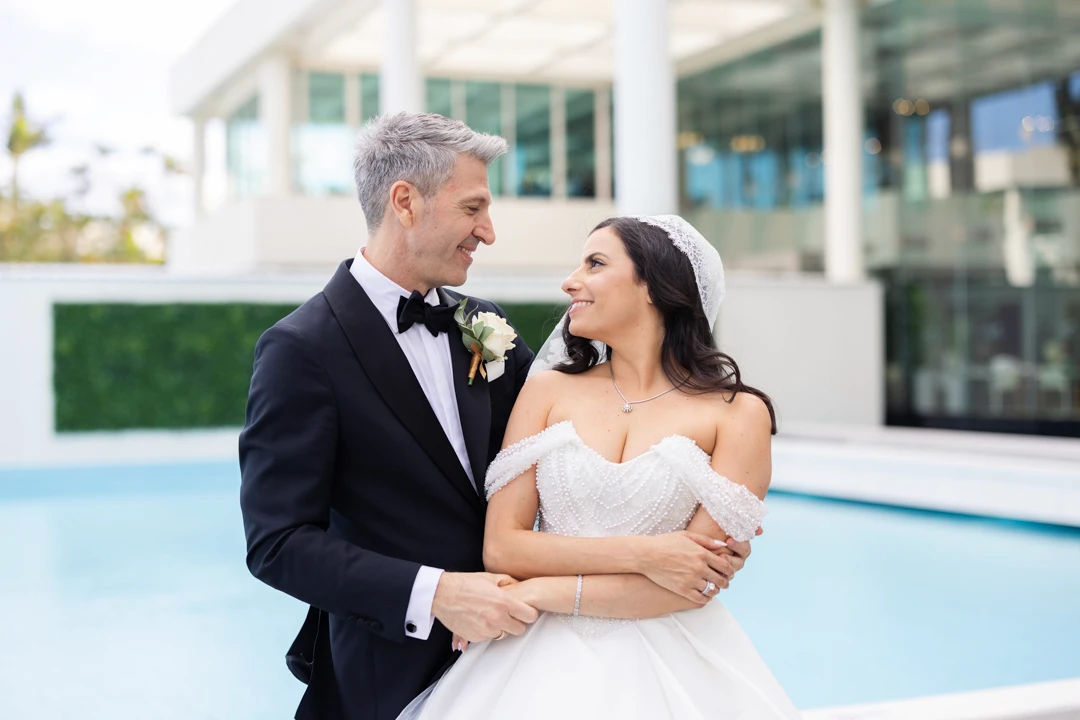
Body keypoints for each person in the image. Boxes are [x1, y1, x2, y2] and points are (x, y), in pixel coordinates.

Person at [238, 113, 756, 720]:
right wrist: (437, 595)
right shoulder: (301, 348)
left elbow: (573, 445)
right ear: (405, 202)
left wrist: (703, 528)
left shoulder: (485, 326)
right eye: (473, 207)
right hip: (390, 673)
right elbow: (277, 543)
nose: (487, 231)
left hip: (540, 652)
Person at [399, 215, 800, 720]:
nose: (570, 281)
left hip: (668, 662)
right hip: (527, 667)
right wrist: (649, 554)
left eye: (595, 263)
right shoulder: (545, 391)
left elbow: (695, 581)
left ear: (655, 286)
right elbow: (502, 546)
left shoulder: (738, 414)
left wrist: (539, 590)